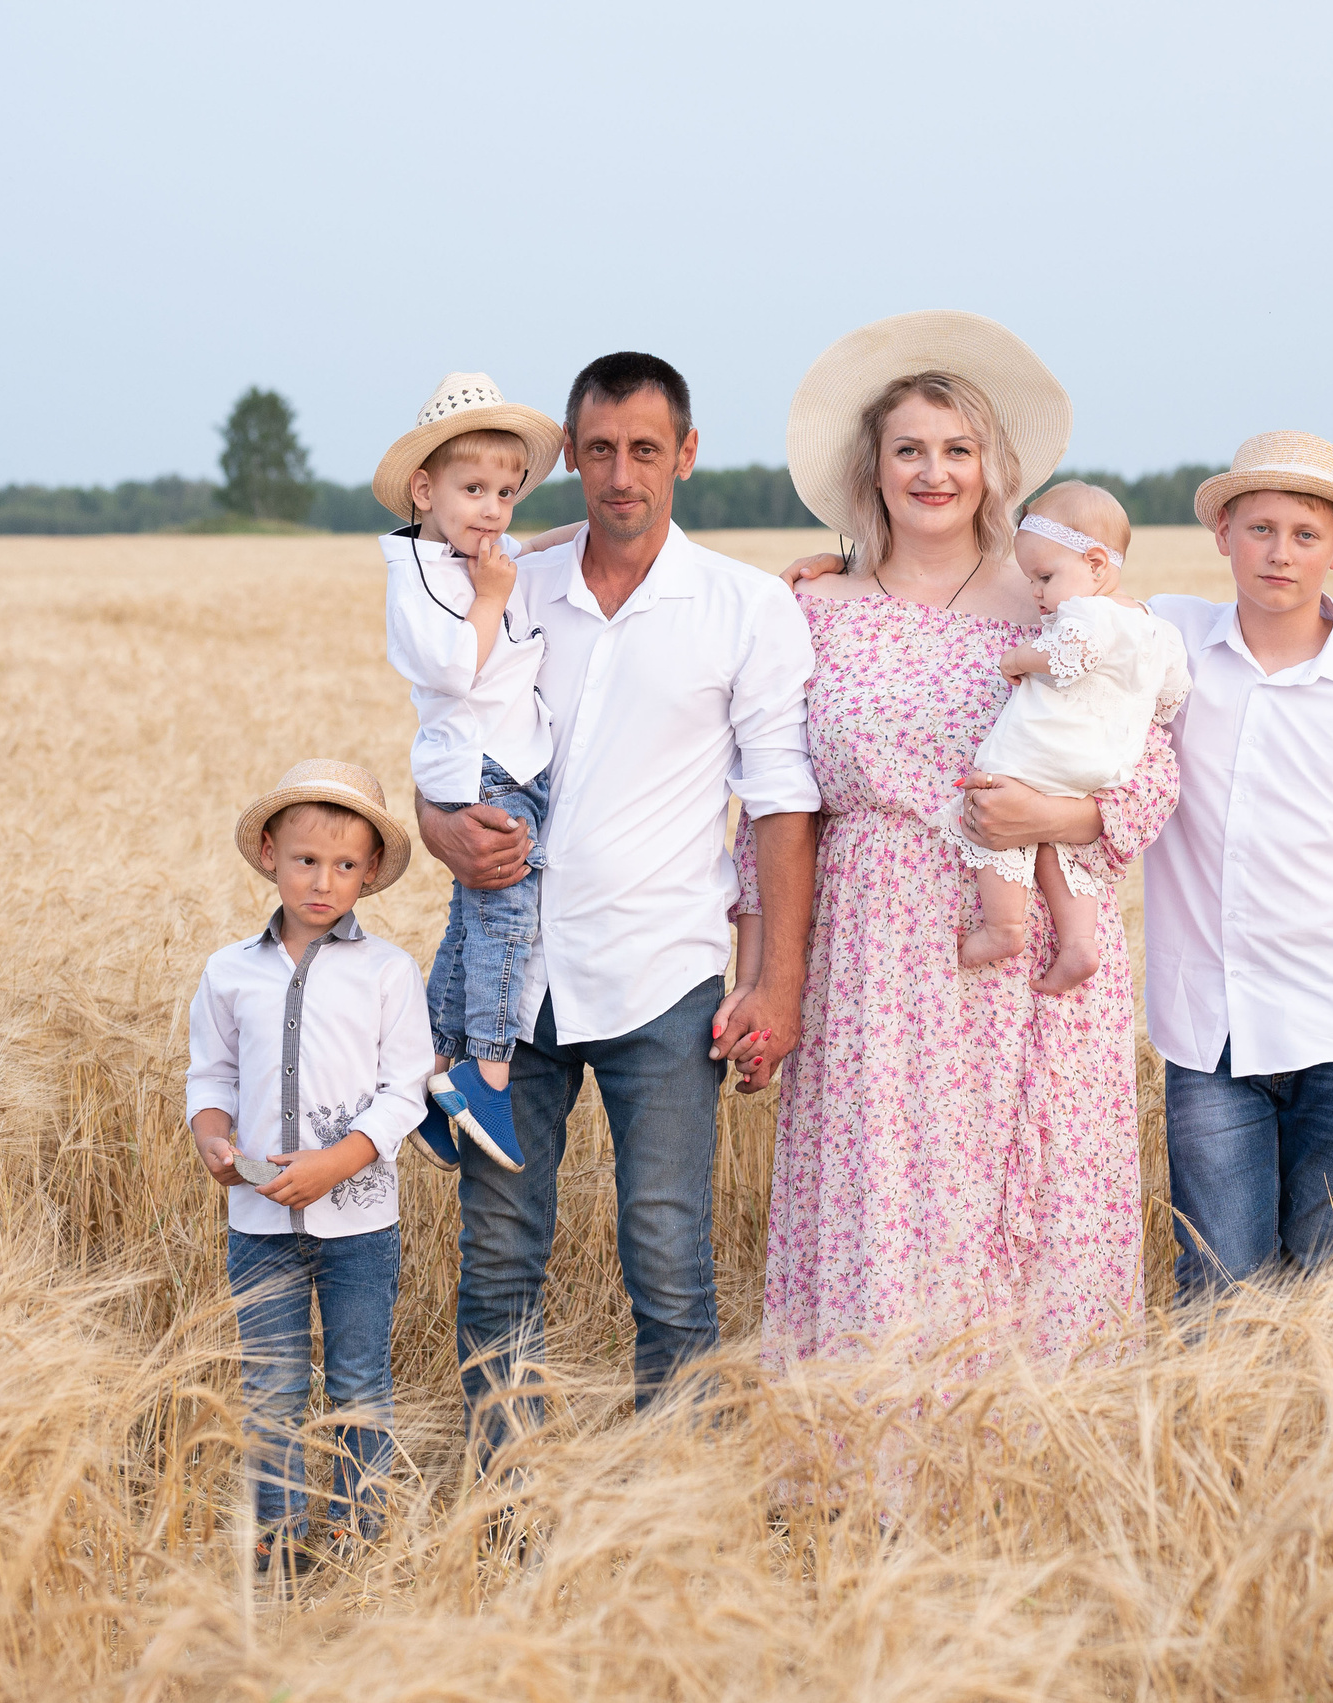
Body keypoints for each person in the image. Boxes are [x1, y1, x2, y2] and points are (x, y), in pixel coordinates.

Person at [744, 311, 1178, 1367]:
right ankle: (867, 1462)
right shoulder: (807, 608)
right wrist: (762, 970)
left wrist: (1061, 818)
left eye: (956, 449)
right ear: (872, 468)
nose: (932, 471)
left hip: (1028, 942)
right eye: (908, 450)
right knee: (882, 1197)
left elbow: (1150, 763)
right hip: (868, 951)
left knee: (1029, 1193)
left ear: (993, 469)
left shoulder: (1057, 606)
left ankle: (1025, 1477)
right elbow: (768, 797)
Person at [416, 351, 819, 1443]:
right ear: (570, 460)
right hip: (513, 987)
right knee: (498, 1258)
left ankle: (670, 1514)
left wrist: (774, 982)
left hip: (663, 976)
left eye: (645, 449)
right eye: (598, 450)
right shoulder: (508, 584)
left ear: (685, 454)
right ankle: (501, 1509)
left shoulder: (742, 608)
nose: (621, 473)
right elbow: (444, 750)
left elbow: (781, 802)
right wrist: (441, 827)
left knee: (667, 1255)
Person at [1143, 432, 1333, 1296]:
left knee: (1324, 1287)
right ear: (1222, 534)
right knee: (1216, 1284)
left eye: (1305, 534)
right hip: (1209, 1028)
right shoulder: (1167, 641)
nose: (1280, 552)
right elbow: (1044, 583)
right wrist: (841, 567)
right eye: (1260, 528)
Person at [183, 760, 434, 1574]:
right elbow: (210, 1076)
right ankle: (280, 1542)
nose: (323, 881)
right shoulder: (230, 971)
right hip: (257, 1224)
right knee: (272, 1388)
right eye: (305, 860)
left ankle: (363, 1531)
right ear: (268, 853)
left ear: (368, 872)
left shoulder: (387, 971)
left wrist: (336, 1161)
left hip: (359, 1222)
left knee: (359, 1380)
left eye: (345, 865)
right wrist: (213, 1139)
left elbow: (407, 1092)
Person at [373, 373, 566, 1174]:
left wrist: (601, 531)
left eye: (507, 493)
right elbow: (455, 668)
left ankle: (429, 1072)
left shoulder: (478, 553)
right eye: (473, 488)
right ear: (425, 489)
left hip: (504, 758)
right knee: (504, 918)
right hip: (483, 767)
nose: (493, 508)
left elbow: (533, 552)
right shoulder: (418, 576)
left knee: (467, 920)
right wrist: (490, 597)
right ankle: (486, 1073)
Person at [943, 479, 1191, 993]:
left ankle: (1002, 926)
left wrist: (1021, 658)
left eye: (1044, 575)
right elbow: (1172, 695)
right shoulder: (1154, 625)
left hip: (1042, 750)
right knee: (1060, 846)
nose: (1035, 591)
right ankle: (1079, 944)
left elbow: (1068, 656)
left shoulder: (1086, 611)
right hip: (1105, 764)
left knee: (992, 809)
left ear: (1096, 564)